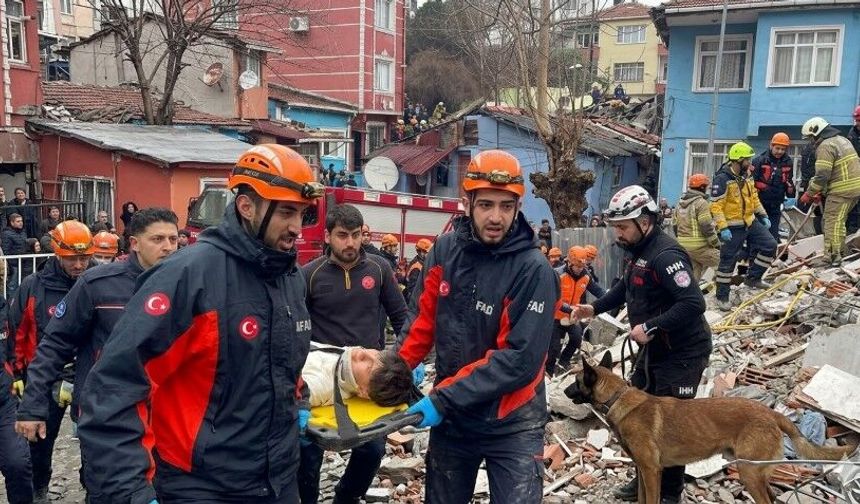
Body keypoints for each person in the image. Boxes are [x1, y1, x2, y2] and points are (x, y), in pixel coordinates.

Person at [77, 144, 322, 503]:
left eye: (302, 214)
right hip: (201, 486)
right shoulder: (189, 277)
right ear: (247, 206)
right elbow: (115, 385)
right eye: (286, 212)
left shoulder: (289, 277)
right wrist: (130, 490)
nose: (297, 227)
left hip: (278, 480)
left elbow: (286, 366)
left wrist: (298, 407)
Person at [397, 149, 559, 503]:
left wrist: (442, 398)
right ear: (467, 202)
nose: (496, 217)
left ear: (518, 207)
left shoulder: (534, 270)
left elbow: (519, 360)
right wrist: (392, 371)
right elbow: (421, 323)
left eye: (506, 206)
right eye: (486, 204)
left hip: (512, 420)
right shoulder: (445, 251)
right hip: (454, 418)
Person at [14, 209, 179, 500]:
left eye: (173, 239)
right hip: (106, 416)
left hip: (164, 415)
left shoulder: (184, 284)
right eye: (157, 239)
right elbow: (54, 344)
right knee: (106, 490)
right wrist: (32, 406)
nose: (167, 246)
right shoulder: (97, 284)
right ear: (134, 243)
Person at [571, 185, 712, 504]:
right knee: (639, 417)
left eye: (622, 227)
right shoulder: (639, 253)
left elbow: (693, 303)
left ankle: (669, 493)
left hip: (683, 353)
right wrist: (594, 307)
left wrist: (651, 325)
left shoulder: (667, 256)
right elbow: (625, 288)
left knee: (675, 424)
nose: (617, 234)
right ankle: (644, 480)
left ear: (645, 222)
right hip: (655, 350)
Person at [299, 204, 408, 504]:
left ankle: (345, 498)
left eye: (356, 235)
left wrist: (402, 361)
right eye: (342, 235)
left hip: (366, 381)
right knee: (308, 452)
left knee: (372, 449)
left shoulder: (379, 269)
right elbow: (295, 328)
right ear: (327, 236)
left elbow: (401, 318)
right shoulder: (309, 274)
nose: (350, 243)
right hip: (323, 380)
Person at [6, 220, 94, 503]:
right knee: (40, 441)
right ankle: (40, 487)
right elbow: (18, 330)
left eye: (84, 258)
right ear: (57, 253)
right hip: (45, 375)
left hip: (85, 374)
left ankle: (91, 486)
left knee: (93, 439)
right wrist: (18, 374)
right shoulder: (35, 286)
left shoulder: (96, 282)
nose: (79, 264)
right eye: (72, 259)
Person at [711, 142, 777, 311]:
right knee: (728, 261)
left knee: (770, 245)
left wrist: (762, 215)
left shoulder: (747, 175)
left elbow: (753, 197)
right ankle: (722, 296)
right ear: (738, 160)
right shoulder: (722, 179)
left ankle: (753, 278)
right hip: (732, 227)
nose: (750, 163)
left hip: (750, 221)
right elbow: (716, 206)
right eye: (747, 160)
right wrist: (723, 227)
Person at [800, 117, 860, 266]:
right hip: (854, 189)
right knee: (839, 222)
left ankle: (832, 257)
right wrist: (822, 191)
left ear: (816, 133)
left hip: (841, 191)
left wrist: (810, 193)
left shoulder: (825, 146)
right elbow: (837, 170)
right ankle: (839, 253)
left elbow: (822, 174)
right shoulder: (842, 140)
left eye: (810, 138)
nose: (811, 142)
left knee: (831, 222)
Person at [548, 246, 605, 376]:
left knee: (576, 339)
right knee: (553, 348)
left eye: (582, 267)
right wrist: (568, 309)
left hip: (573, 317)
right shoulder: (557, 274)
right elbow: (551, 298)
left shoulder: (586, 275)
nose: (580, 270)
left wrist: (609, 298)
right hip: (555, 316)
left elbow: (597, 290)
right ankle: (549, 372)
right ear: (569, 262)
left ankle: (563, 363)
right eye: (577, 267)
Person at [0, 293, 35, 504]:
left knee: (18, 464)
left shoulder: (2, 305)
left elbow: (10, 344)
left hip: (4, 401)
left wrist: (15, 374)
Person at [302, 345, 413, 408]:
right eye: (377, 353)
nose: (365, 354)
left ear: (363, 392)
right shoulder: (347, 357)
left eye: (369, 368)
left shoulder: (321, 386)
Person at [674, 174, 720, 281]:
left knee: (693, 276)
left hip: (683, 246)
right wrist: (716, 243)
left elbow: (674, 225)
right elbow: (706, 226)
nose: (708, 189)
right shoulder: (701, 203)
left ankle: (690, 295)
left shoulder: (680, 203)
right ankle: (720, 290)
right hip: (699, 246)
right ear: (702, 187)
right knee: (724, 262)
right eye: (707, 187)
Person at [752, 133, 795, 240]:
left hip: (776, 204)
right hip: (759, 204)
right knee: (757, 236)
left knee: (773, 236)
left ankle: (770, 256)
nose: (780, 151)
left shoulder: (788, 162)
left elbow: (789, 181)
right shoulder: (759, 160)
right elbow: (751, 182)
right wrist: (763, 188)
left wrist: (791, 193)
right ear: (771, 146)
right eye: (777, 148)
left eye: (783, 149)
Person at [3, 213, 29, 298]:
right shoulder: (7, 234)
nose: (21, 223)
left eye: (21, 221)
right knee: (12, 285)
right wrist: (10, 264)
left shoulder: (23, 231)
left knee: (21, 283)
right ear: (12, 222)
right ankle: (11, 304)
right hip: (14, 264)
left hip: (22, 262)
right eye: (18, 221)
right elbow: (6, 250)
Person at [404, 238, 432, 302]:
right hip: (415, 302)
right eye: (427, 252)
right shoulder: (416, 267)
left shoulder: (422, 263)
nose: (429, 254)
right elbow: (413, 290)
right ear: (421, 252)